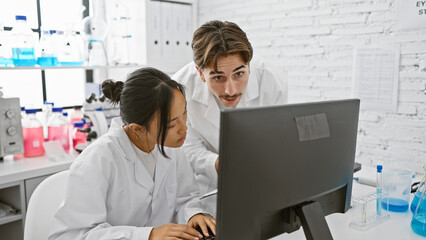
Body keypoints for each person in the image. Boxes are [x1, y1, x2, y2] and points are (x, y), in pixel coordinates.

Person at [49, 67, 216, 240]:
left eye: (184, 114)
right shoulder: (96, 161)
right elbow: (73, 235)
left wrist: (193, 215)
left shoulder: (172, 146)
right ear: (137, 128)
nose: (184, 128)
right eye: (172, 124)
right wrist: (147, 235)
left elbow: (185, 198)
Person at [173, 20, 288, 215]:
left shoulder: (271, 80)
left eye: (239, 74)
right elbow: (188, 149)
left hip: (259, 182)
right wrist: (222, 164)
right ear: (200, 73)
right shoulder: (180, 88)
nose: (231, 90)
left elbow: (274, 139)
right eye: (218, 78)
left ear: (249, 66)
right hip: (206, 188)